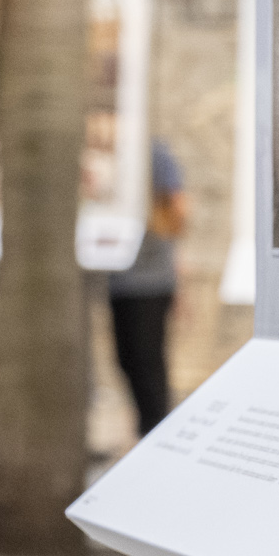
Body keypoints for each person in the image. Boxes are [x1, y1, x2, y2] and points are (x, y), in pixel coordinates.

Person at [106, 140, 187, 435]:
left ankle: (157, 436)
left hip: (151, 281)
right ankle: (147, 432)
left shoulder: (156, 154)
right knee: (126, 360)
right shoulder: (113, 152)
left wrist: (149, 231)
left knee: (148, 364)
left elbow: (179, 210)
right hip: (119, 279)